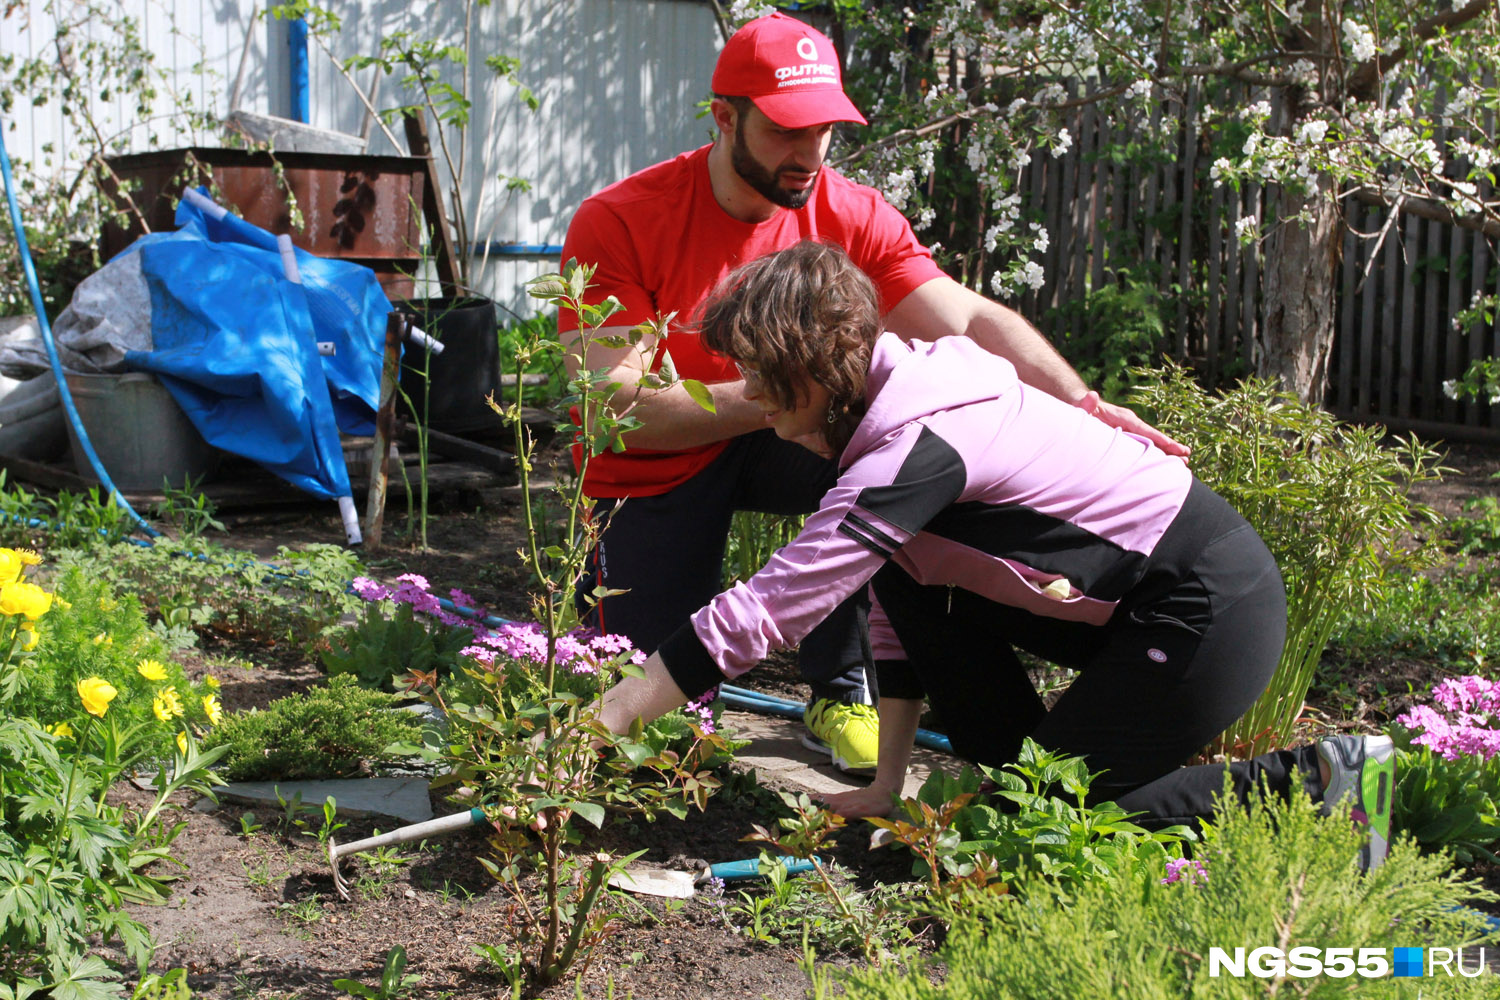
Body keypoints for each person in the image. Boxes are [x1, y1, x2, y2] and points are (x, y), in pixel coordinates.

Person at [594, 240, 1397, 870]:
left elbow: (765, 612)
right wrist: (885, 784)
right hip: (1135, 605)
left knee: (1014, 828)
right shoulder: (890, 407)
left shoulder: (916, 442)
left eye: (761, 374)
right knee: (913, 588)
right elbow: (899, 607)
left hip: (1208, 607)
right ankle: (1019, 783)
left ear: (814, 370)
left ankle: (1320, 781)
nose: (752, 394)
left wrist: (606, 719)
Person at [558, 12, 1188, 774]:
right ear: (725, 118)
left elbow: (968, 317)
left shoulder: (847, 209)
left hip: (789, 437)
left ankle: (841, 686)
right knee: (652, 740)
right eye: (787, 130)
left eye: (823, 128)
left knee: (893, 466)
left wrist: (1083, 403)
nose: (808, 153)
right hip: (658, 465)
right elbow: (619, 411)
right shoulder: (619, 220)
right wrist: (785, 388)